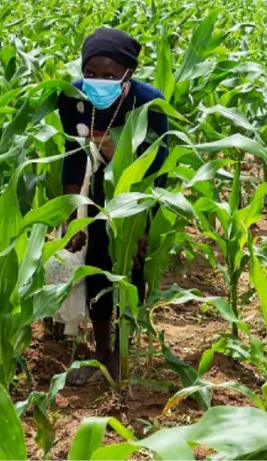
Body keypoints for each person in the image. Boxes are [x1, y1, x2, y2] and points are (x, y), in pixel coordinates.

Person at [57, 27, 169, 385]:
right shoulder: (74, 98)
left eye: (109, 76)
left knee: (130, 271)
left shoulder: (149, 103)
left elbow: (156, 167)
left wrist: (142, 228)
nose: (98, 81)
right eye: (91, 73)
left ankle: (124, 350)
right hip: (92, 194)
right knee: (95, 267)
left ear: (128, 75)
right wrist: (75, 217)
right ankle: (101, 352)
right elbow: (72, 158)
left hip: (135, 195)